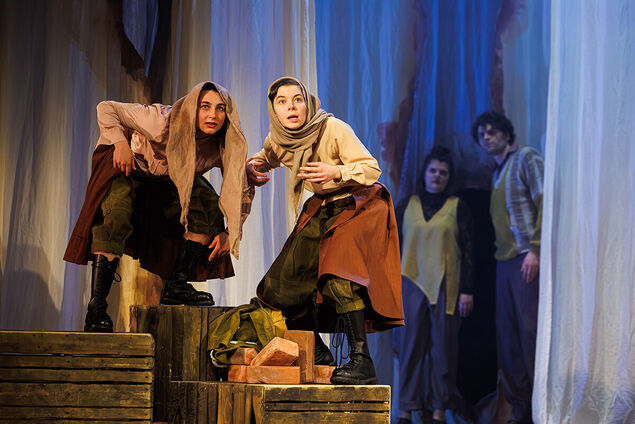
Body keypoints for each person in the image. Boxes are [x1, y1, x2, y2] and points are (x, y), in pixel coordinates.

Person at [246, 76, 403, 385]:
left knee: (337, 276)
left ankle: (362, 361)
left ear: (308, 103)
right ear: (274, 110)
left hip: (358, 202)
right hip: (323, 206)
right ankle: (318, 352)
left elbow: (372, 168)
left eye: (297, 100)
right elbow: (268, 156)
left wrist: (337, 171)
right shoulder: (279, 139)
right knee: (279, 285)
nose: (291, 107)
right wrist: (253, 166)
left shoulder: (332, 128)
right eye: (282, 102)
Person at [64, 82, 252, 333]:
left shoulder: (224, 144)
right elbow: (106, 107)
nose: (213, 115)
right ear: (192, 107)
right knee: (115, 215)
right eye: (205, 107)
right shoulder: (161, 120)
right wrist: (119, 143)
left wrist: (231, 232)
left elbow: (241, 188)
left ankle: (177, 285)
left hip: (170, 178)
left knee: (208, 207)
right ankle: (97, 308)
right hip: (130, 166)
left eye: (220, 109)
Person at [393, 146, 474, 424]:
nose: (437, 176)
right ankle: (406, 410)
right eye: (433, 171)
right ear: (424, 173)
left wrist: (467, 290)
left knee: (444, 351)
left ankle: (439, 410)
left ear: (448, 177)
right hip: (410, 282)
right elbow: (392, 245)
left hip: (445, 285)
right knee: (409, 349)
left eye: (443, 172)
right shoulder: (407, 204)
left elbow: (468, 250)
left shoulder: (458, 207)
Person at [472, 111, 543, 424]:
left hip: (525, 257)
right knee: (509, 338)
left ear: (506, 133)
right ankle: (519, 408)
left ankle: (541, 406)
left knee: (529, 332)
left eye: (492, 132)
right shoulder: (497, 172)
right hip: (503, 262)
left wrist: (536, 249)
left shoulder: (526, 158)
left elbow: (545, 200)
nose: (487, 137)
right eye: (482, 134)